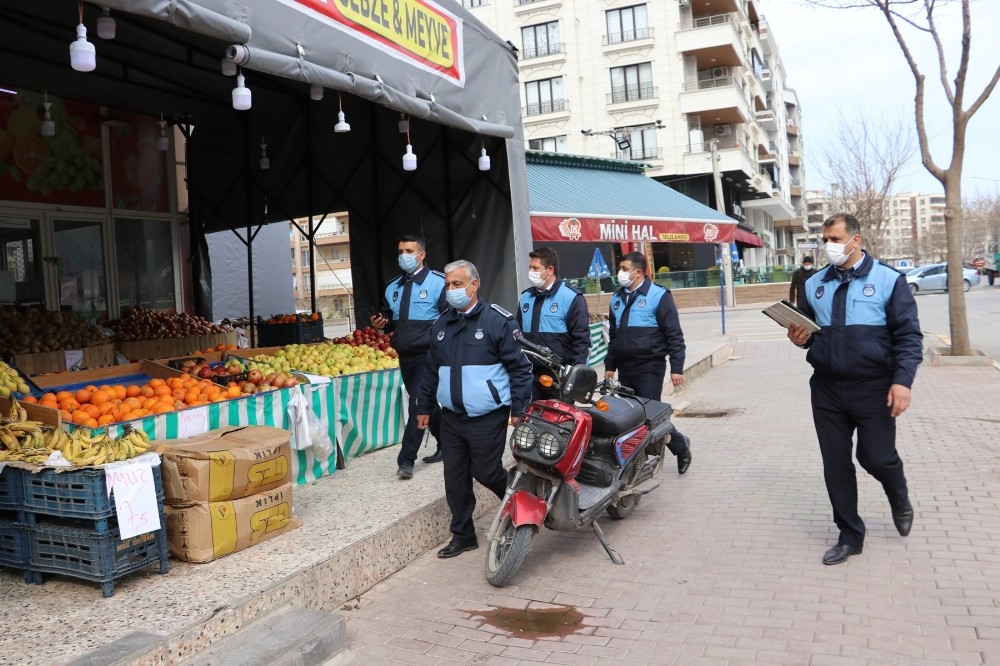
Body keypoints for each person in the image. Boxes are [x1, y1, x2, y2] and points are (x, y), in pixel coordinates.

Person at [787, 213, 922, 566]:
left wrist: (902, 381)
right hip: (827, 389)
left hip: (874, 387)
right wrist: (799, 338)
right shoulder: (814, 284)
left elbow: (909, 337)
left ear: (855, 240)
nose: (828, 246)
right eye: (825, 240)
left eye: (835, 239)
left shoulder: (889, 281)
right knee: (835, 464)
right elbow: (808, 334)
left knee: (875, 457)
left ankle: (899, 495)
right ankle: (849, 535)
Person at [417, 260, 532, 558]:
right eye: (447, 285)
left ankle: (522, 502)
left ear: (474, 285)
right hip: (451, 417)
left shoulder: (498, 321)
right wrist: (424, 406)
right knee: (454, 478)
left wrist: (519, 409)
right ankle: (463, 535)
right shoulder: (441, 325)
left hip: (488, 416)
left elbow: (520, 369)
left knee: (486, 471)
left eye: (457, 284)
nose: (451, 290)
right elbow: (430, 371)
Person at [604, 252, 692, 475]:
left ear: (638, 272)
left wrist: (677, 368)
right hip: (625, 367)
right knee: (628, 417)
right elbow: (613, 337)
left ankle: (680, 446)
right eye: (620, 268)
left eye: (624, 269)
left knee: (650, 416)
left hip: (650, 367)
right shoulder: (616, 299)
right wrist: (610, 365)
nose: (620, 273)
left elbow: (674, 335)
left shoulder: (658, 296)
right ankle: (635, 462)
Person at [371, 234, 447, 480]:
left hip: (429, 355)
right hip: (405, 355)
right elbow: (389, 321)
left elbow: (449, 320)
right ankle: (447, 444)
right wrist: (381, 324)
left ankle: (406, 460)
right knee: (426, 403)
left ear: (422, 255)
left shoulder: (438, 283)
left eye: (409, 251)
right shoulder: (393, 286)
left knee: (418, 404)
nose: (404, 256)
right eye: (401, 251)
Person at [517, 247, 591, 400]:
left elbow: (582, 341)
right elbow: (518, 336)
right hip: (530, 376)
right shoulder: (525, 298)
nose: (531, 272)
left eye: (535, 268)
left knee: (558, 415)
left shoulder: (571, 297)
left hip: (559, 378)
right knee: (530, 415)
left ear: (550, 270)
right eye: (530, 267)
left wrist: (573, 377)